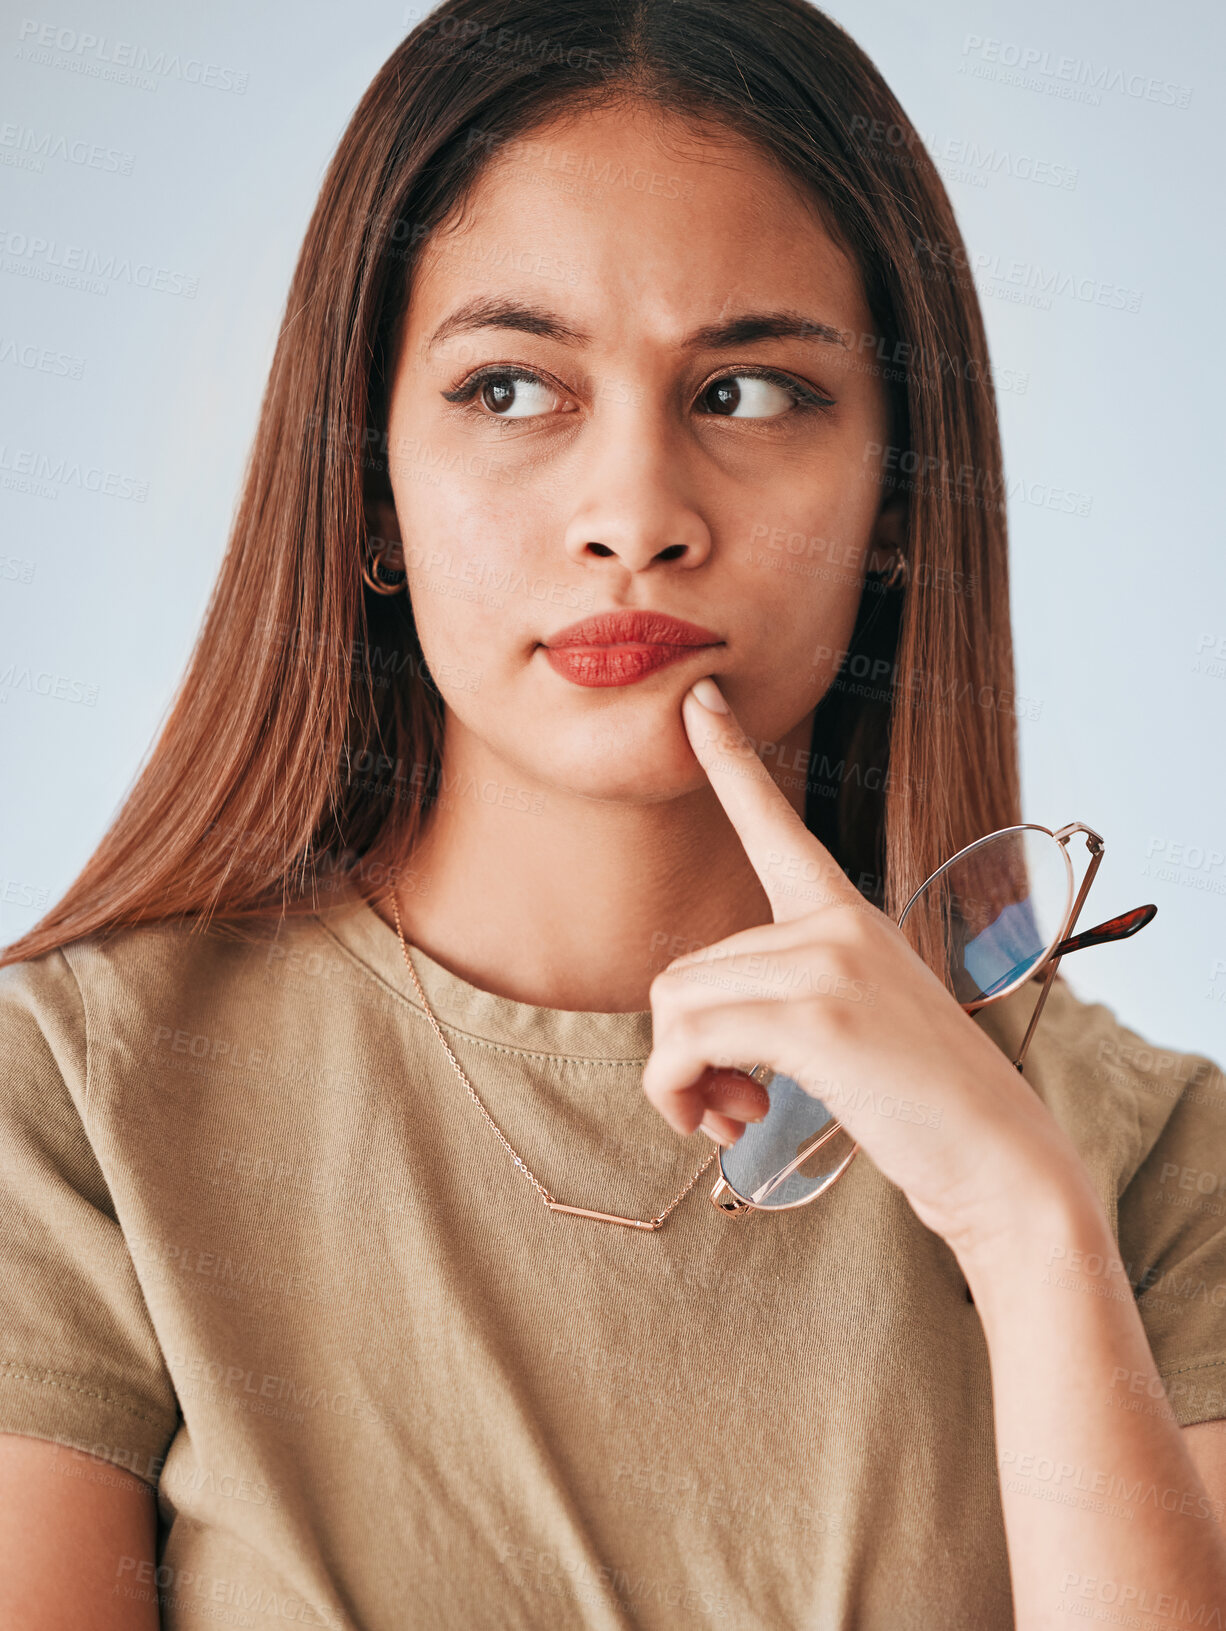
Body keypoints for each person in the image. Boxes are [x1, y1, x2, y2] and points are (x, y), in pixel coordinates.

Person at [1, 1, 1224, 1626]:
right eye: (509, 390)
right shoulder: (81, 1104)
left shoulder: (1144, 1164)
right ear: (368, 483)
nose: (634, 515)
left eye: (751, 393)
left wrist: (1019, 1224)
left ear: (895, 500)